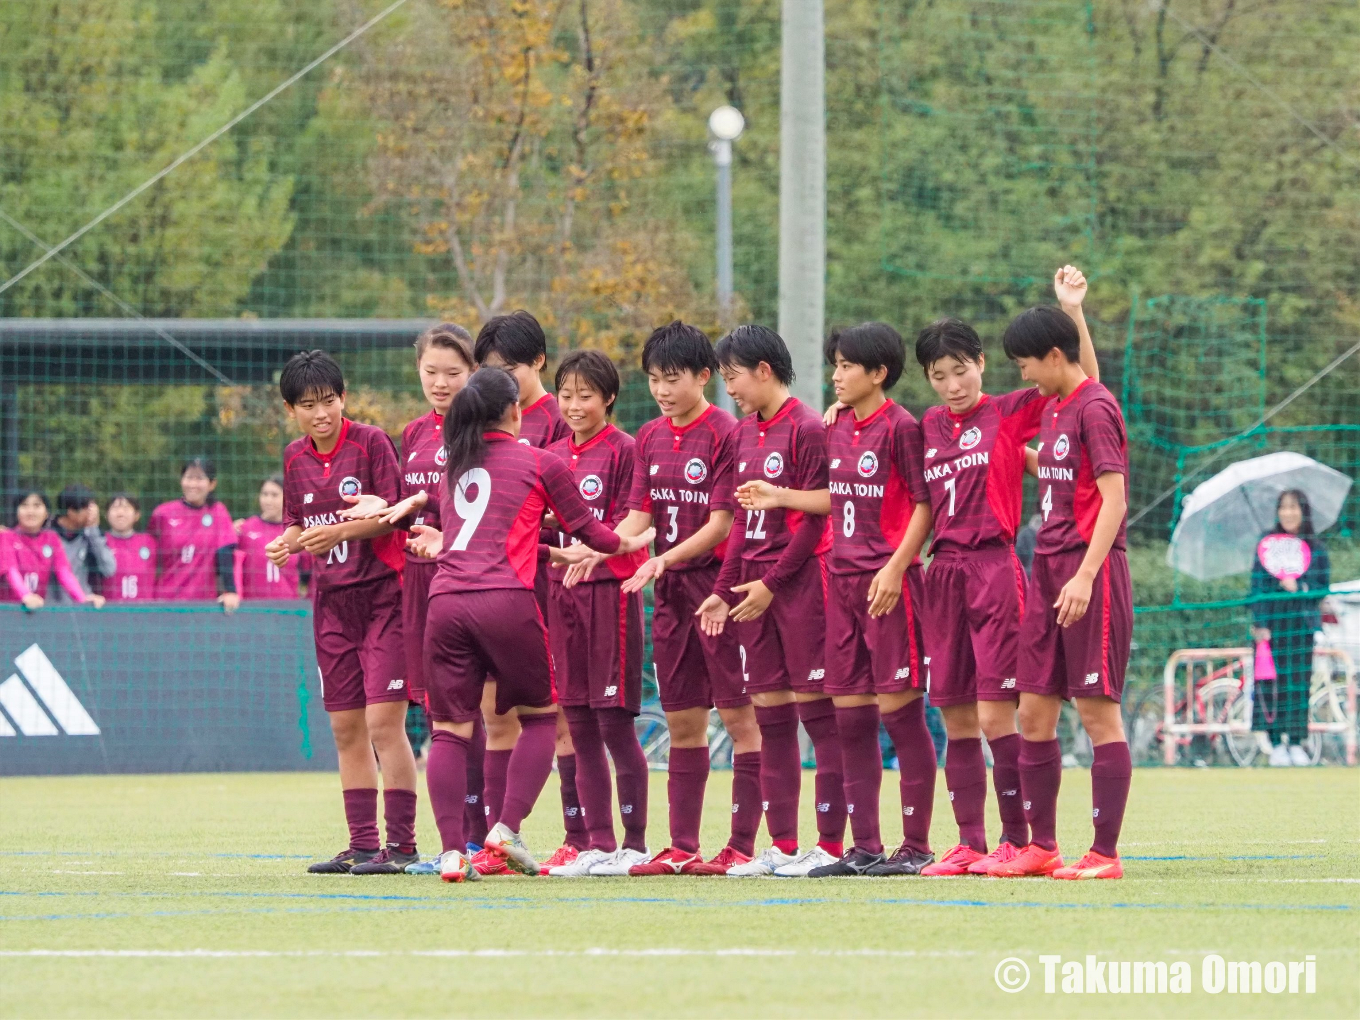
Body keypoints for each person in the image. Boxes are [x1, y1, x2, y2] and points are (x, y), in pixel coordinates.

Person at [396, 366, 653, 881]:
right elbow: (595, 534)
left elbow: (477, 536)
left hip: (445, 603)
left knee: (448, 731)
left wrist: (540, 547)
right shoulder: (541, 460)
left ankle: (452, 853)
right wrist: (632, 543)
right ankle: (505, 828)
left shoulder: (454, 466)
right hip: (506, 602)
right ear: (515, 411)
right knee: (541, 717)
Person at [737, 323, 938, 876]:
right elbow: (834, 499)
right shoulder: (837, 427)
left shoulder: (902, 428)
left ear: (878, 373)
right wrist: (780, 495)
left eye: (848, 366)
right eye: (836, 365)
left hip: (887, 586)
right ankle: (866, 847)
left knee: (901, 715)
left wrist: (898, 567)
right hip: (842, 585)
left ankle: (917, 846)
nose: (837, 375)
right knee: (850, 719)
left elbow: (924, 506)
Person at [565, 321, 763, 877]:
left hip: (720, 589)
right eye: (653, 379)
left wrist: (663, 558)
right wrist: (600, 550)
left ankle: (743, 846)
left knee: (740, 718)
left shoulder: (728, 431)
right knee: (682, 723)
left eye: (672, 379)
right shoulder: (649, 436)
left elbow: (724, 524)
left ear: (704, 377)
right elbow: (640, 518)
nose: (661, 390)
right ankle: (682, 845)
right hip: (672, 594)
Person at [694, 324, 846, 878]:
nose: (728, 389)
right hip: (751, 589)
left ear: (763, 370)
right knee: (772, 717)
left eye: (732, 377)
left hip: (799, 584)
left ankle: (829, 847)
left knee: (818, 715)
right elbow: (738, 525)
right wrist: (721, 592)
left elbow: (811, 524)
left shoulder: (807, 428)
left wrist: (771, 586)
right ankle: (782, 846)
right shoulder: (741, 436)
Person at [264, 350, 420, 876]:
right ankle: (361, 844)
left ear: (343, 398)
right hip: (330, 605)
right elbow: (295, 520)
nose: (321, 413)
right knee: (347, 729)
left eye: (329, 401)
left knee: (383, 723)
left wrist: (341, 531)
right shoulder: (293, 457)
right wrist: (285, 543)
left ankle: (401, 847)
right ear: (292, 410)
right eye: (308, 405)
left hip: (382, 598)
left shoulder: (372, 442)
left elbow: (392, 516)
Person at [1000, 298, 1133, 880]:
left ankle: (1104, 854)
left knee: (1098, 714)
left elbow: (1114, 500)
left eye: (1026, 363)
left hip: (1090, 572)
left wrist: (1084, 576)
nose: (1022, 375)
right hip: (1046, 569)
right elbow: (1056, 472)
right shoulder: (1058, 407)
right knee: (1033, 713)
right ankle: (1043, 846)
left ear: (1054, 356)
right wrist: (1002, 454)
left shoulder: (1095, 408)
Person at [471, 311, 583, 874]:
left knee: (558, 715)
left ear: (539, 361)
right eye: (492, 371)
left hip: (553, 583)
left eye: (511, 368)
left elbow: (576, 513)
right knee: (497, 715)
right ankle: (498, 840)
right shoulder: (484, 425)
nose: (503, 381)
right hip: (497, 588)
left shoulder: (562, 420)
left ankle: (579, 835)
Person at [538, 351, 654, 876]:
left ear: (608, 397)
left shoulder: (626, 451)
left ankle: (633, 843)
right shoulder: (551, 454)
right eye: (565, 395)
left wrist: (596, 554)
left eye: (586, 395)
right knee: (578, 721)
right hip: (563, 599)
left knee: (613, 723)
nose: (574, 405)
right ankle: (596, 845)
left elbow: (632, 523)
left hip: (612, 595)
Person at [394, 323, 478, 870]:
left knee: (477, 712)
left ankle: (477, 835)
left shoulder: (483, 432)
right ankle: (453, 838)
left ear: (473, 373)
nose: (441, 382)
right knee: (437, 712)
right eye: (431, 372)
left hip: (471, 579)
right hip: (419, 584)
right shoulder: (412, 434)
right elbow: (408, 509)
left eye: (453, 372)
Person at [1250, 490, 1330, 768]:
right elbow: (1256, 586)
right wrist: (1260, 625)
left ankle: (1296, 742)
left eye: (1293, 507)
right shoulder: (1265, 544)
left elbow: (1322, 587)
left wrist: (1301, 588)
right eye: (1283, 507)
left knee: (1298, 684)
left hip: (1301, 628)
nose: (1288, 512)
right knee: (1271, 685)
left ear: (1303, 511)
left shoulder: (1316, 547)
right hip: (1271, 629)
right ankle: (1274, 744)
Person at [148, 457, 240, 611]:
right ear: (181, 480)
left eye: (199, 478)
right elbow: (149, 555)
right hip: (165, 600)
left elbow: (224, 553)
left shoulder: (218, 512)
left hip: (203, 604)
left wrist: (230, 591)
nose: (193, 484)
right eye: (189, 477)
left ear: (212, 484)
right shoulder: (162, 514)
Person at [2, 491, 102, 609]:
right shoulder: (6, 537)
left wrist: (82, 598)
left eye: (37, 505)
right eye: (24, 505)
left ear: (46, 513)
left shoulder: (51, 538)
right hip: (6, 611)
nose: (30, 511)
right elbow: (11, 572)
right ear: (16, 511)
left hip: (36, 611)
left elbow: (64, 572)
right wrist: (26, 596)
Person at [235, 475, 311, 599]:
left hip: (288, 607)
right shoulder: (245, 528)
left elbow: (307, 572)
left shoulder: (296, 530)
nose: (268, 500)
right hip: (252, 607)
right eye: (264, 494)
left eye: (274, 495)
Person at [50, 484, 116, 603]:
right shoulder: (47, 533)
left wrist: (93, 530)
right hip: (52, 608)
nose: (92, 513)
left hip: (82, 605)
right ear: (71, 512)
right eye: (87, 508)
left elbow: (109, 568)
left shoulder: (90, 534)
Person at [104, 494, 157, 602]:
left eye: (126, 508)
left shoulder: (149, 541)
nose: (120, 513)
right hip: (109, 612)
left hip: (145, 613)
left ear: (137, 515)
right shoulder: (100, 542)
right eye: (115, 508)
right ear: (106, 515)